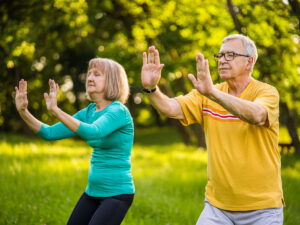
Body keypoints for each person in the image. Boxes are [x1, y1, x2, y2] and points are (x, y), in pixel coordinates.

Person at [141, 34, 284, 225]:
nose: (222, 60)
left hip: (263, 209)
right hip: (217, 208)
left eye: (230, 55)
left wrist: (213, 94)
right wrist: (152, 89)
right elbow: (170, 108)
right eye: (220, 56)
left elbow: (258, 115)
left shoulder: (265, 92)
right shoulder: (207, 93)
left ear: (249, 62)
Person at [15, 58, 135, 225]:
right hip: (92, 192)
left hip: (117, 195)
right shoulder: (89, 111)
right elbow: (49, 133)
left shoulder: (118, 111)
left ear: (113, 81)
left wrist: (56, 111)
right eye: (90, 74)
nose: (90, 78)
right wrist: (23, 112)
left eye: (97, 74)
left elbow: (94, 132)